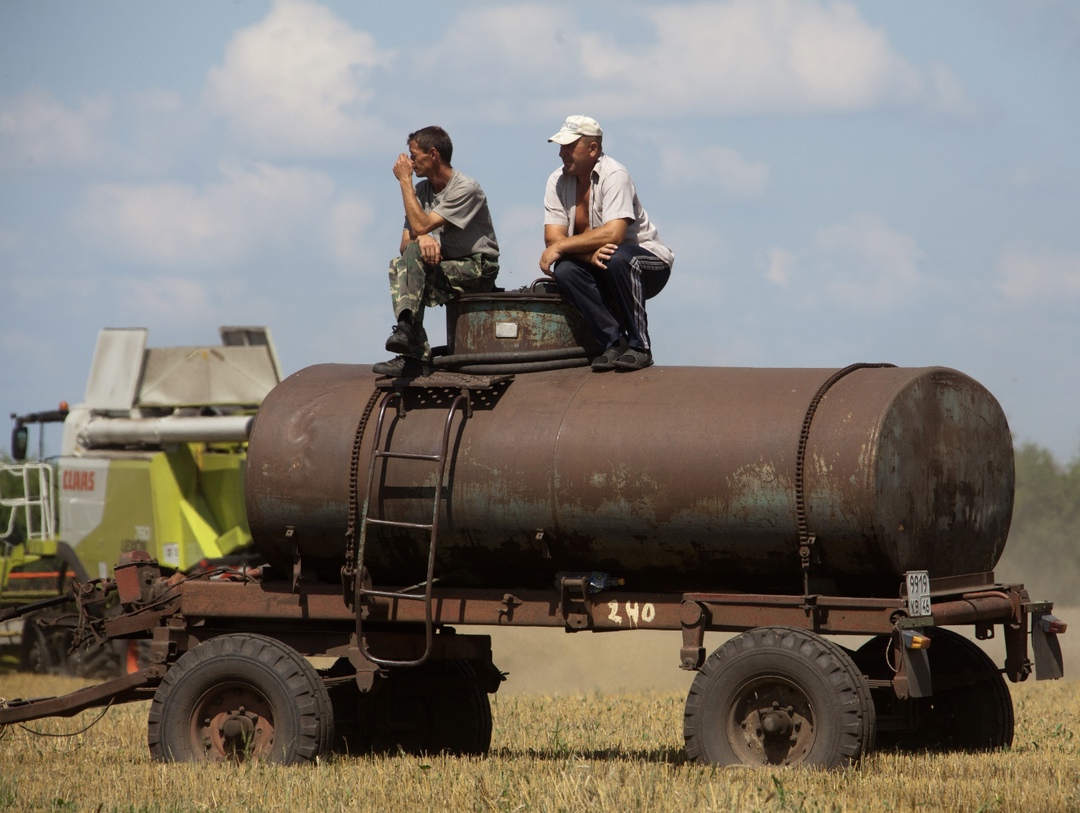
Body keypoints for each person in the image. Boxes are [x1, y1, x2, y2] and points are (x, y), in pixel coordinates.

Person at [540, 115, 673, 372]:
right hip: (601, 264)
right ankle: (613, 341)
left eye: (569, 146)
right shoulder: (556, 181)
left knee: (619, 257)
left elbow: (614, 234)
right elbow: (553, 239)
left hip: (647, 263)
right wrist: (586, 257)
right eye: (560, 146)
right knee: (565, 270)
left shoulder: (615, 175)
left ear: (593, 149)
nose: (561, 153)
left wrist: (562, 247)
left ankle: (640, 346)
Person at [373, 126, 500, 377]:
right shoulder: (422, 192)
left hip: (478, 268)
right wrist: (423, 239)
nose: (410, 163)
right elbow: (405, 245)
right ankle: (410, 341)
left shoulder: (465, 188)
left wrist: (405, 182)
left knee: (411, 258)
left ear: (433, 155)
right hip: (445, 265)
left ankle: (409, 341)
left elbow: (419, 226)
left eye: (414, 156)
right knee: (399, 264)